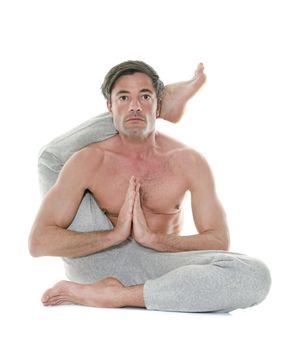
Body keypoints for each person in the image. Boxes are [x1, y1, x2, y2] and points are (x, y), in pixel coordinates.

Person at [29, 61, 271, 312]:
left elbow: (219, 240)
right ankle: (166, 101)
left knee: (256, 275)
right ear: (109, 107)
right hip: (99, 262)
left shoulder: (188, 161)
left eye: (146, 97)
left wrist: (154, 239)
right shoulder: (88, 160)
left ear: (156, 107)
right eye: (123, 97)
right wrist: (114, 234)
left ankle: (118, 296)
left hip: (162, 267)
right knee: (51, 159)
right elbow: (38, 243)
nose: (134, 105)